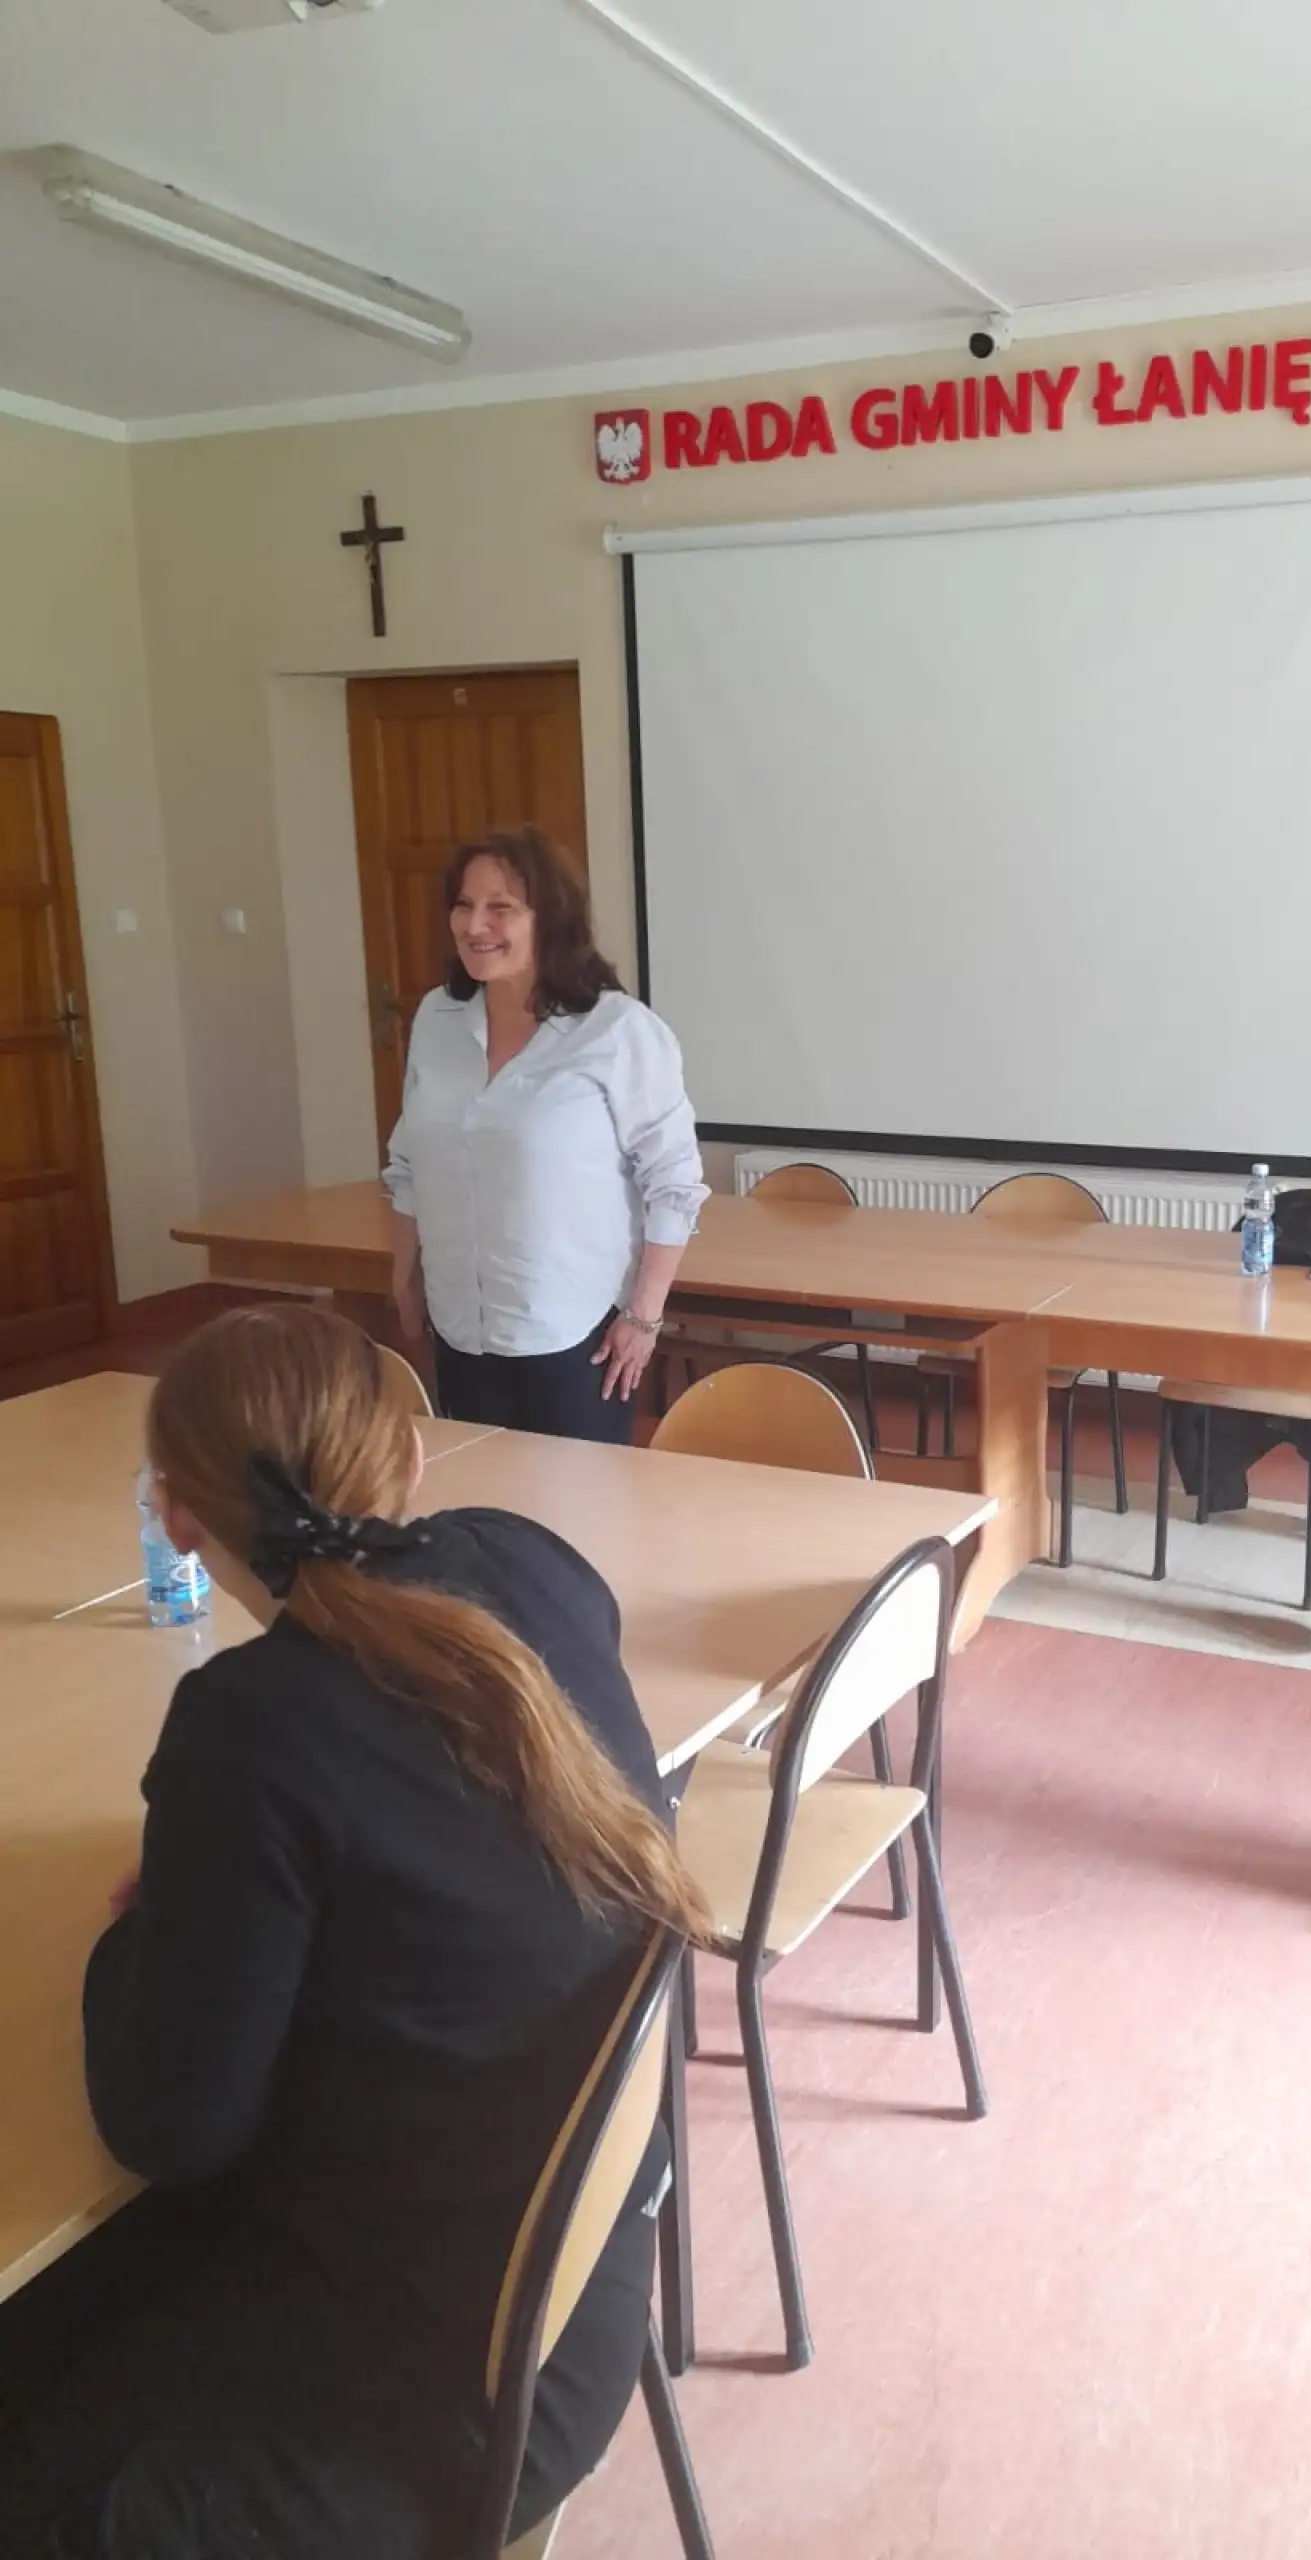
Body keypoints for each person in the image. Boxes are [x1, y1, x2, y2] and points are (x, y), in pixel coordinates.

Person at [0, 1302, 710, 2557]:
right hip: (575, 2282)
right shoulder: (532, 1561)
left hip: (430, 2393)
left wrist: (143, 1929)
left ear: (176, 1515)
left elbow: (166, 2128)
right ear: (413, 1456)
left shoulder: (249, 1723)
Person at [386, 826, 708, 1443]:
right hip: (459, 1326)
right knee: (478, 1496)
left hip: (575, 1337)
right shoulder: (436, 1019)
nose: (475, 925)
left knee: (574, 1503)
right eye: (463, 905)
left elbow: (673, 1183)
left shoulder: (616, 1030)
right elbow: (408, 1162)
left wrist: (644, 1317)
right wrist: (405, 1276)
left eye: (500, 907)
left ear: (550, 919)